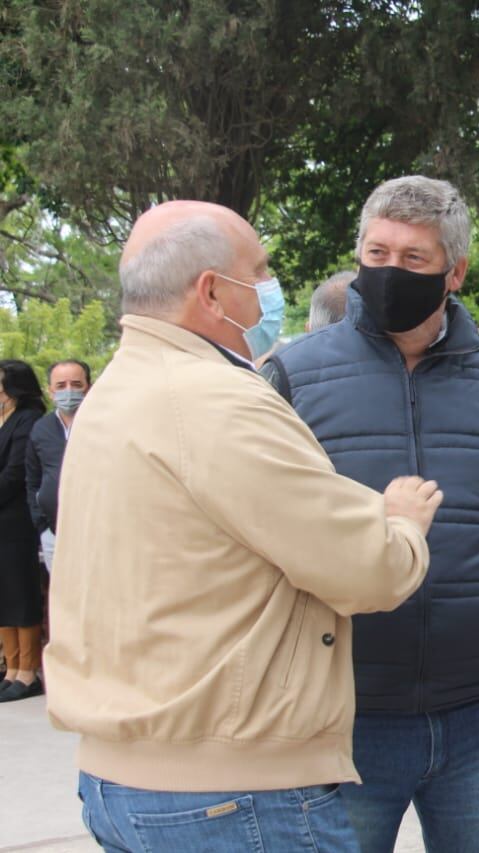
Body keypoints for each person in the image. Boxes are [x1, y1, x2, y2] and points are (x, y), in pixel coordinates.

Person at [43, 200, 441, 852]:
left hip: (125, 776)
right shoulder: (216, 399)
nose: (270, 292)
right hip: (234, 792)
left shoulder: (115, 391)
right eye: (258, 271)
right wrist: (400, 523)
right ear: (210, 291)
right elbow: (365, 569)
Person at [262, 175, 479, 853]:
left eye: (413, 259)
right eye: (377, 252)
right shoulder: (292, 377)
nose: (390, 271)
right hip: (344, 714)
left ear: (456, 271)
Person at [0, 360, 49, 702]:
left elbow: (14, 473)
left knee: (20, 593)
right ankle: (11, 667)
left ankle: (28, 672)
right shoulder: (3, 418)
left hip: (15, 520)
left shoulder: (27, 419)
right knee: (3, 595)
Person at [25, 359, 92, 571]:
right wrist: (41, 523)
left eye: (76, 384)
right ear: (50, 391)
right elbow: (32, 478)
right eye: (61, 386)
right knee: (63, 599)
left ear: (88, 387)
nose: (69, 391)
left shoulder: (103, 424)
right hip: (53, 532)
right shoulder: (41, 428)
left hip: (95, 531)